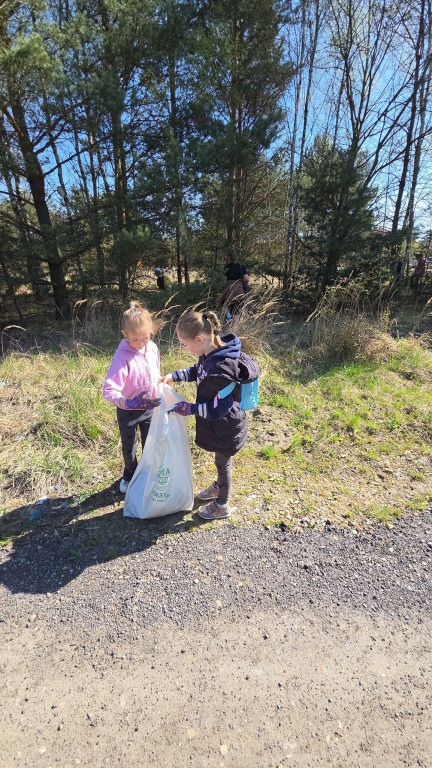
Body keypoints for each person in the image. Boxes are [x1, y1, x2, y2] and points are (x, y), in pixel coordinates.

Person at [159, 310, 248, 520]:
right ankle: (219, 486)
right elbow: (196, 371)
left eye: (185, 344)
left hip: (227, 424)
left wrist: (190, 408)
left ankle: (222, 504)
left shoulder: (222, 368)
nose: (185, 348)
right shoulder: (208, 355)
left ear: (199, 339)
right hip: (219, 423)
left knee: (223, 463)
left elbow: (217, 409)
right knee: (220, 460)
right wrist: (175, 376)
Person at [103, 301, 161, 494]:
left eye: (146, 338)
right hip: (128, 410)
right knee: (130, 448)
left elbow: (155, 372)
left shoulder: (152, 348)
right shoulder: (122, 356)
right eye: (135, 339)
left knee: (150, 444)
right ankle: (129, 475)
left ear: (151, 332)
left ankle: (146, 473)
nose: (141, 344)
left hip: (150, 407)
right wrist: (126, 402)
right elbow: (109, 389)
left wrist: (160, 387)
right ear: (125, 334)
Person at [219, 247, 250, 318]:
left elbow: (221, 279)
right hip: (239, 289)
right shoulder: (241, 267)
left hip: (228, 290)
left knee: (223, 305)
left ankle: (229, 318)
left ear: (228, 258)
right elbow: (247, 279)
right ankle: (234, 324)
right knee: (237, 309)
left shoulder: (226, 267)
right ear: (236, 258)